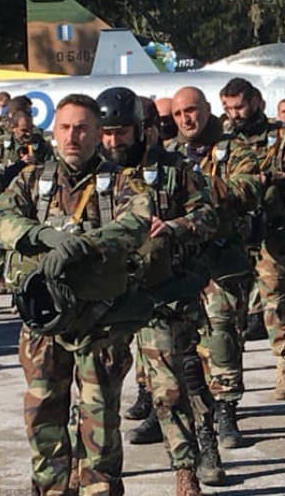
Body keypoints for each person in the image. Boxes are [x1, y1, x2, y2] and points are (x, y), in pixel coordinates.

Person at [0, 93, 151, 496]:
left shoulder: (121, 181)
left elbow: (139, 221)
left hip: (100, 322)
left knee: (99, 421)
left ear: (97, 134)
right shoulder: (32, 180)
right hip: (44, 323)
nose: (72, 136)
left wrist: (86, 245)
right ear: (53, 133)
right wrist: (40, 235)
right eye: (64, 128)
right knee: (43, 415)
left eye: (81, 128)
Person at [96, 87, 223, 495]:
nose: (113, 141)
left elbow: (208, 216)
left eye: (121, 132)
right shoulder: (94, 175)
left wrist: (174, 227)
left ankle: (187, 469)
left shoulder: (173, 169)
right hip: (106, 299)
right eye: (106, 133)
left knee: (172, 388)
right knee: (100, 393)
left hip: (160, 296)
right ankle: (102, 477)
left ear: (140, 129)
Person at [168, 86, 261, 450]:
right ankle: (174, 410)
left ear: (207, 109)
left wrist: (201, 188)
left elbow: (249, 188)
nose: (186, 119)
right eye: (178, 114)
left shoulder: (233, 148)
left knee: (222, 334)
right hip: (181, 262)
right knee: (178, 343)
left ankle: (226, 408)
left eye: (191, 110)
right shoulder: (170, 153)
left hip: (221, 259)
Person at [220, 78, 285, 399]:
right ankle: (230, 375)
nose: (234, 114)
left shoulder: (283, 138)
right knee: (231, 306)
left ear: (257, 102)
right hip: (234, 234)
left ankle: (284, 363)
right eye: (228, 108)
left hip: (271, 231)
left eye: (240, 107)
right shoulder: (223, 140)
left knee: (276, 300)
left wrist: (271, 180)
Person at [0, 109, 52, 311]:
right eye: (23, 130)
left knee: (25, 250)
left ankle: (19, 293)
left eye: (30, 129)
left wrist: (38, 165)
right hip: (5, 201)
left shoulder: (41, 144)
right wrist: (8, 166)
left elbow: (55, 166)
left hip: (32, 204)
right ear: (12, 128)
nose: (27, 134)